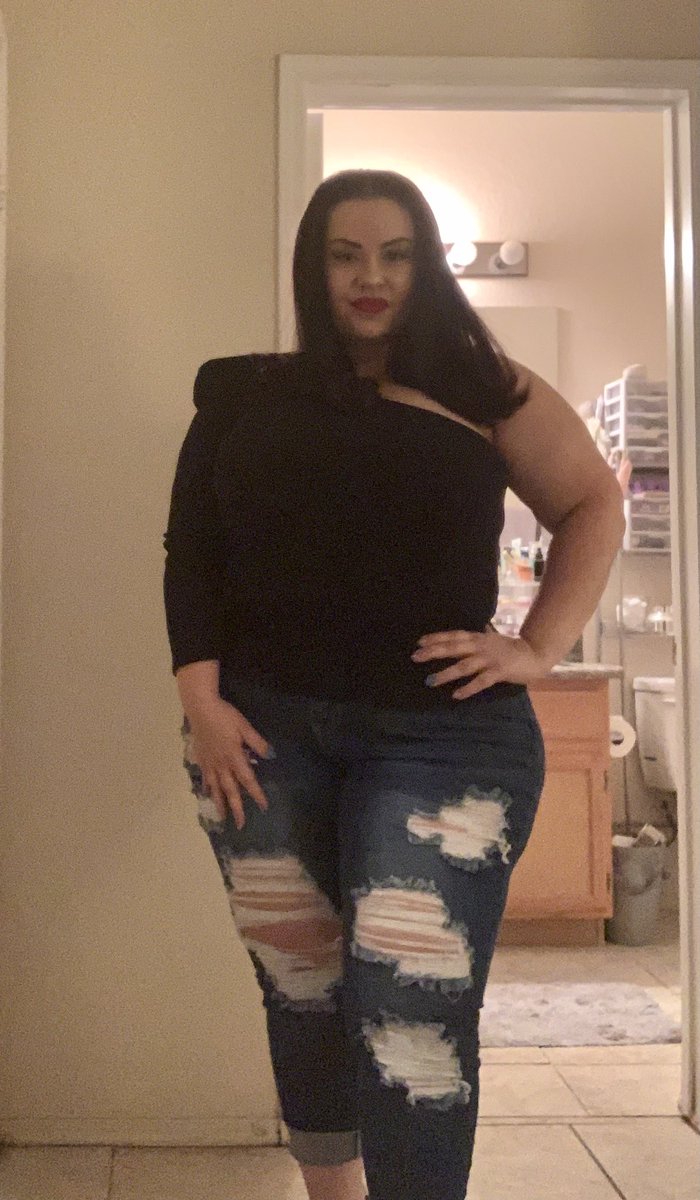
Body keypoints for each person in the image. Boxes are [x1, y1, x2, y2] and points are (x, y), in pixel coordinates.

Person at [163, 169, 625, 1200]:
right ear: (312, 267)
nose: (369, 276)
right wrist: (201, 703)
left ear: (426, 267)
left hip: (444, 740)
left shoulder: (485, 387)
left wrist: (538, 647)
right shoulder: (241, 394)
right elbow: (192, 553)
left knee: (413, 1004)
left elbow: (593, 502)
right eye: (345, 254)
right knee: (302, 987)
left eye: (395, 254)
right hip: (262, 735)